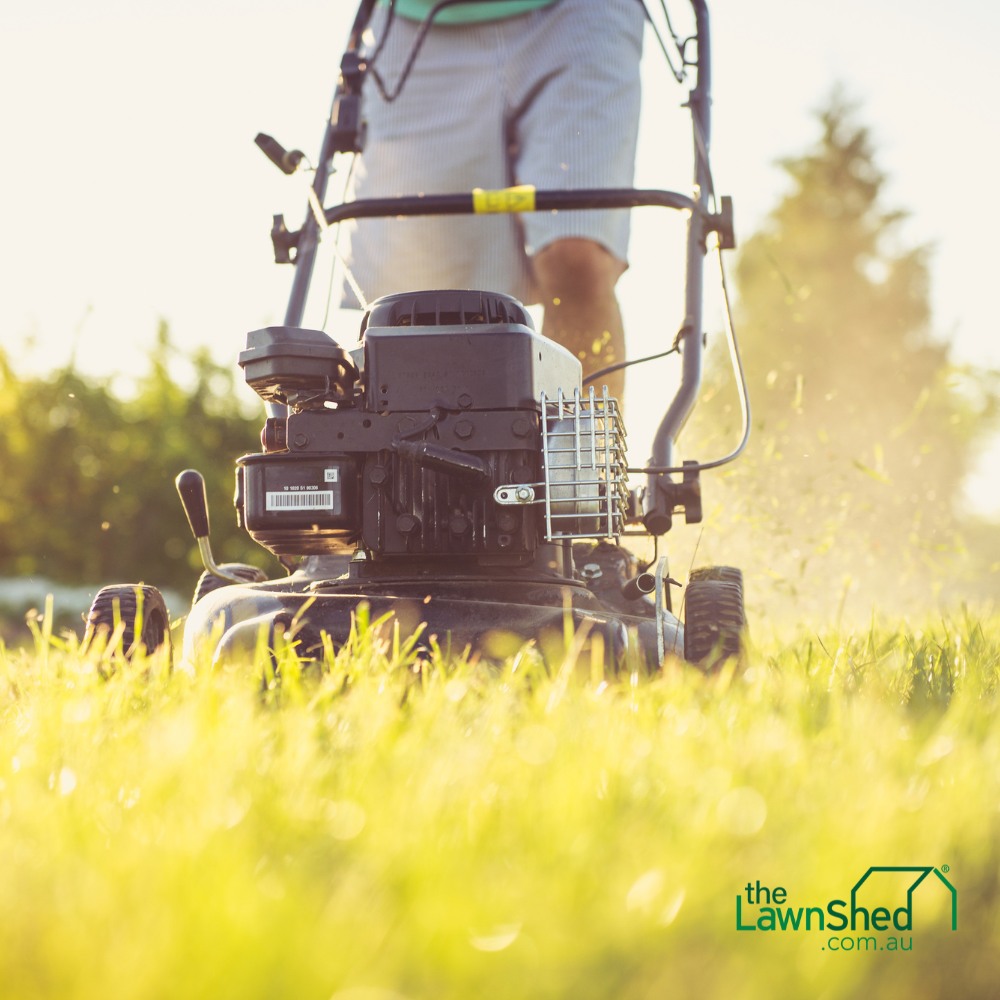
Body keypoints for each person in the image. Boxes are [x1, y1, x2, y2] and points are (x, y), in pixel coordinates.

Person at [344, 0, 645, 402]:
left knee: (579, 255)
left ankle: (580, 460)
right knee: (420, 306)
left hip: (579, 15)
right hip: (419, 25)